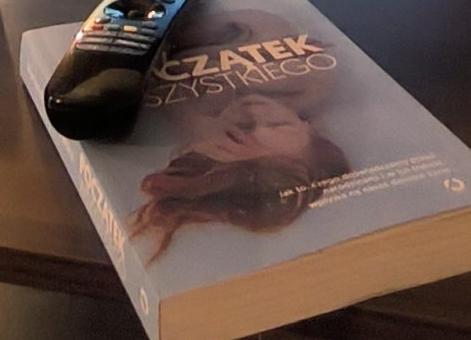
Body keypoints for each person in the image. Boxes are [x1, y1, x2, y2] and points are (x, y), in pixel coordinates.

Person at [128, 93, 351, 261]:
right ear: (308, 126)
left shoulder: (174, 118)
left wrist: (190, 118)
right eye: (279, 124)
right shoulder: (314, 85)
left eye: (240, 131)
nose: (255, 111)